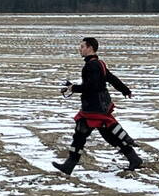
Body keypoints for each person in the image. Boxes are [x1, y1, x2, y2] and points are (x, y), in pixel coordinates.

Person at [53, 36, 143, 174]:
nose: (80, 49)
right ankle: (134, 159)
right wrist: (125, 90)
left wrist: (73, 88)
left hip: (94, 109)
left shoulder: (92, 65)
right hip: (96, 107)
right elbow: (111, 78)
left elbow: (92, 86)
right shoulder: (99, 63)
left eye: (82, 46)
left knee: (81, 135)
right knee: (100, 135)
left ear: (90, 48)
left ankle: (69, 165)